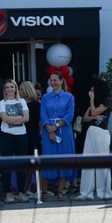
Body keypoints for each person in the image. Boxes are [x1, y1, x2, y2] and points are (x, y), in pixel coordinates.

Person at [40, 70, 76, 199]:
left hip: (64, 131)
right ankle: (44, 192)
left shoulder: (69, 97)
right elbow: (43, 114)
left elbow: (69, 115)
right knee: (48, 160)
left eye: (55, 80)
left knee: (63, 159)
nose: (53, 82)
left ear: (61, 81)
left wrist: (55, 127)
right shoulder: (45, 97)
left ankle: (60, 191)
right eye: (51, 80)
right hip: (48, 131)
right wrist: (49, 128)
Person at [77, 78, 112, 200]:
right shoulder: (96, 102)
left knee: (102, 162)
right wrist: (93, 114)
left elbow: (93, 112)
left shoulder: (107, 100)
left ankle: (105, 192)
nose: (91, 91)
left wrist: (92, 102)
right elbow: (86, 118)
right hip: (91, 131)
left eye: (93, 89)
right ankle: (86, 193)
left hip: (101, 133)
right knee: (87, 161)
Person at [0, 79, 29, 202]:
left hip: (21, 135)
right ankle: (7, 193)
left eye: (12, 87)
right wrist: (18, 118)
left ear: (15, 88)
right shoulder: (1, 103)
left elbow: (27, 118)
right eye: (7, 87)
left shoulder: (22, 101)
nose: (9, 89)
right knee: (7, 164)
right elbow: (5, 119)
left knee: (21, 164)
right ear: (5, 90)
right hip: (7, 135)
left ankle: (21, 192)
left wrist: (13, 119)